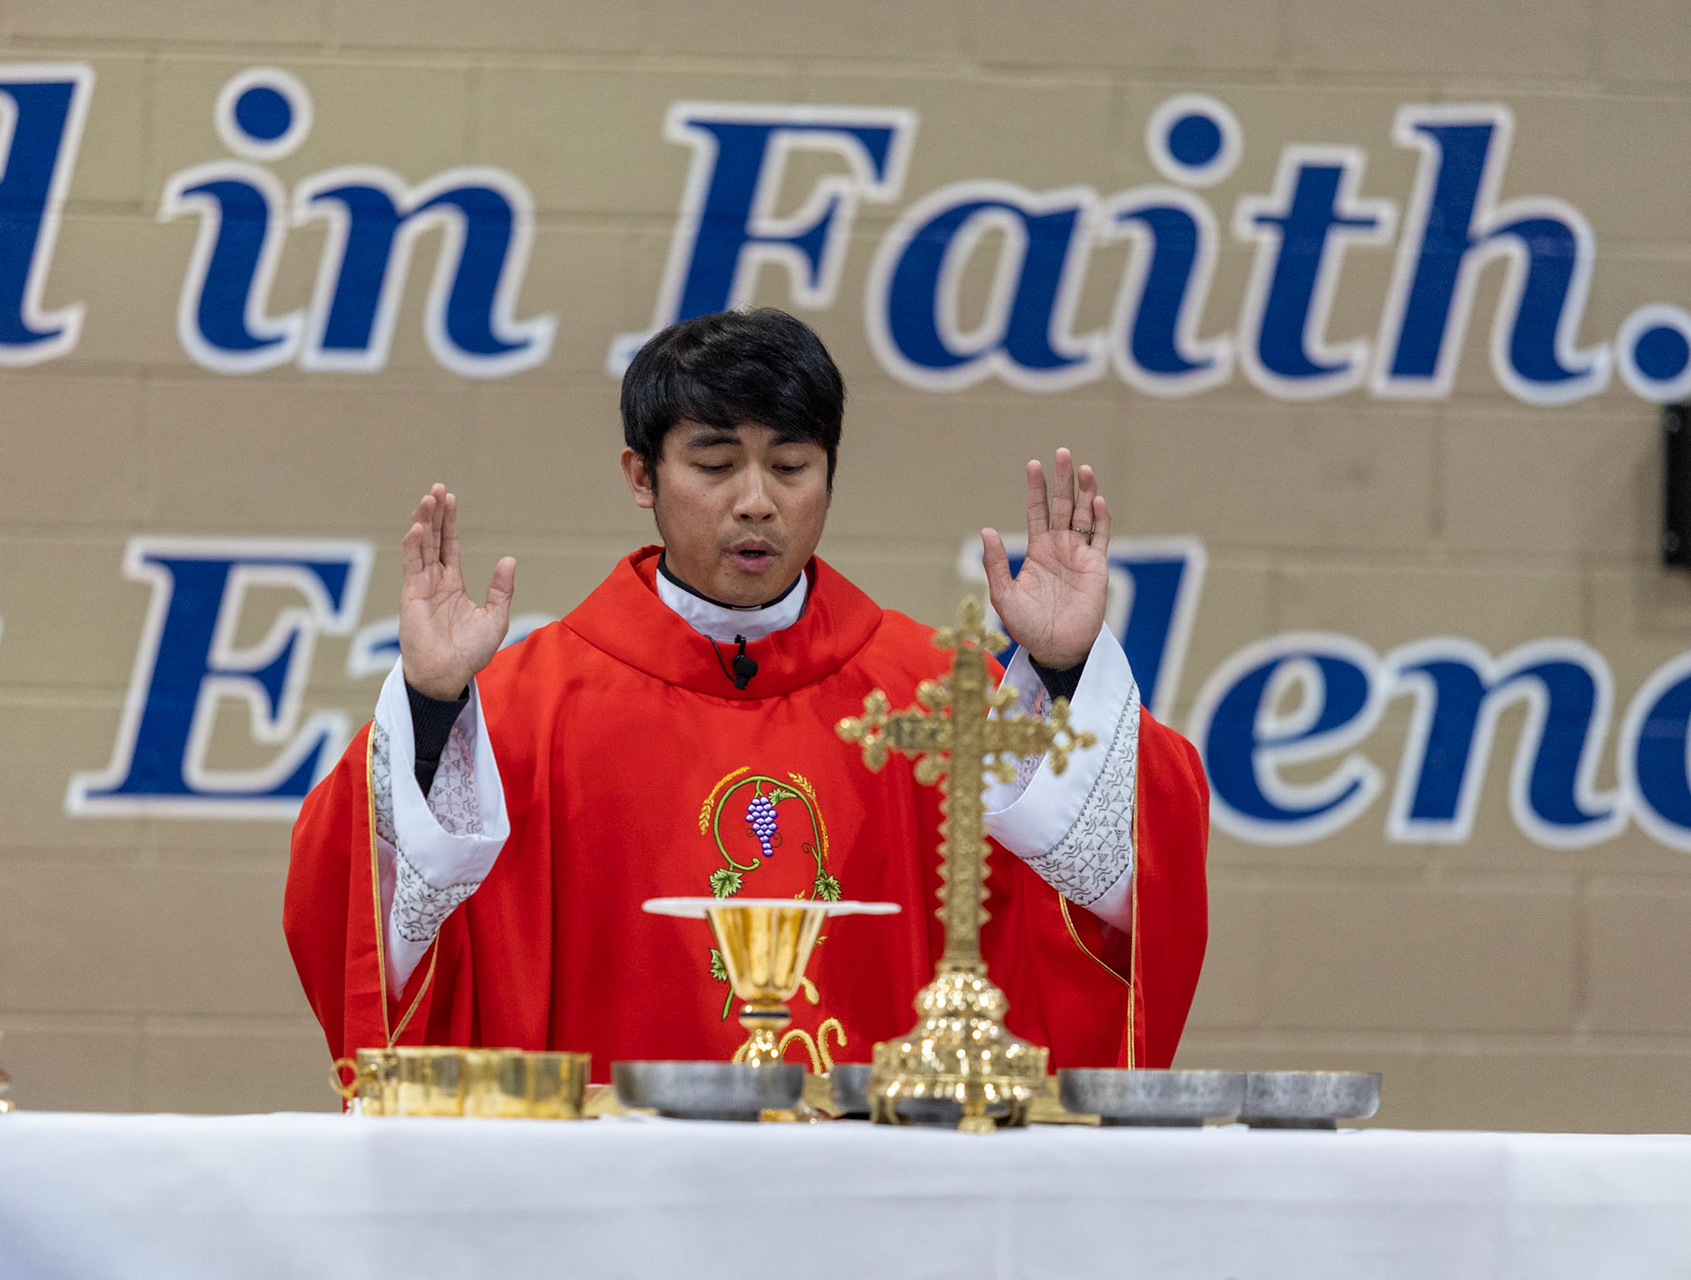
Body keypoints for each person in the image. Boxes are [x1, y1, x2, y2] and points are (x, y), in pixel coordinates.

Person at [285, 308, 1208, 1083]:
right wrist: (432, 704)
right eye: (716, 465)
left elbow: (1123, 892)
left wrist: (1063, 672)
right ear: (641, 475)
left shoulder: (939, 698)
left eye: (792, 466)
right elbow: (356, 915)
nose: (756, 501)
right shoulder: (523, 711)